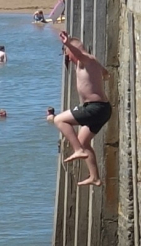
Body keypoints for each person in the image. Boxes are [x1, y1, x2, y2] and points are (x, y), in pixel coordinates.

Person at [48, 31, 112, 186]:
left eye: (67, 54)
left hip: (95, 108)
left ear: (73, 51)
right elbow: (105, 73)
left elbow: (79, 53)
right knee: (84, 141)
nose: (68, 57)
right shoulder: (91, 63)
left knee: (59, 119)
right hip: (103, 109)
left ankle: (78, 151)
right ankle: (94, 177)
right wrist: (102, 74)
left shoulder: (85, 60)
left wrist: (67, 43)